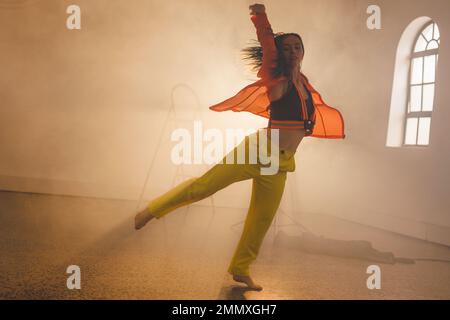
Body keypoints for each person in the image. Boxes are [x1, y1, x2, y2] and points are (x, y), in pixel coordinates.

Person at [135, 3, 345, 291]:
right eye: (288, 47)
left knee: (262, 219)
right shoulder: (276, 77)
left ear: (303, 52)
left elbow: (307, 115)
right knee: (205, 187)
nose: (293, 51)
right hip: (259, 149)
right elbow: (269, 48)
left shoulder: (304, 84)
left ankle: (241, 268)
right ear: (280, 53)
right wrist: (261, 19)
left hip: (281, 161)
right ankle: (151, 210)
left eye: (298, 46)